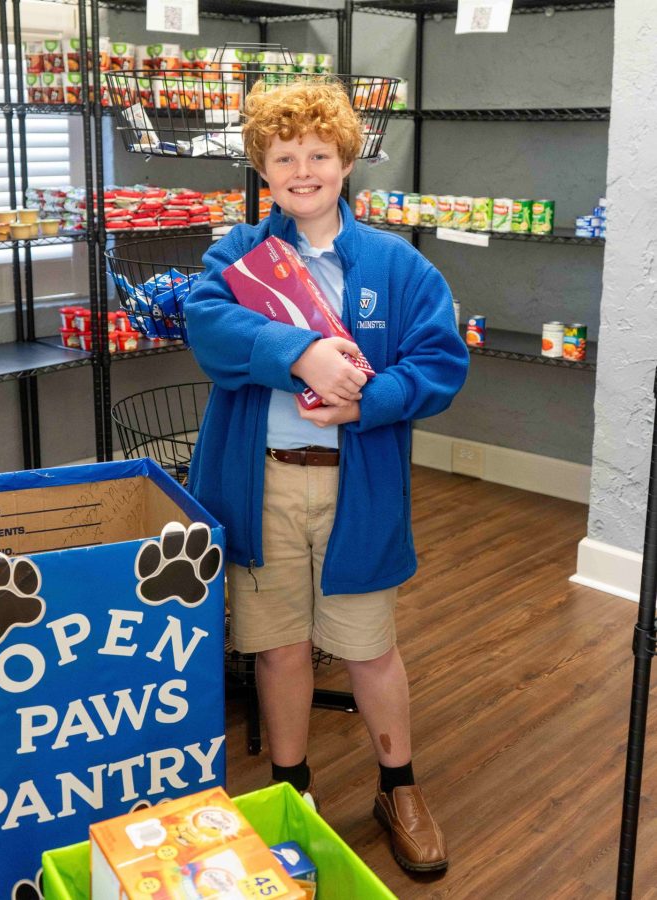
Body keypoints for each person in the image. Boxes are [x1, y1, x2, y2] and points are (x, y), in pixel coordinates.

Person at [184, 78, 469, 873]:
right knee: (276, 650)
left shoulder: (395, 265)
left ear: (345, 163)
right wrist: (300, 353)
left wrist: (369, 400)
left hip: (358, 491)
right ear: (262, 171)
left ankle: (397, 785)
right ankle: (290, 791)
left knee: (368, 648)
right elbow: (207, 326)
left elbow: (441, 363)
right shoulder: (237, 255)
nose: (302, 169)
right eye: (284, 157)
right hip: (259, 485)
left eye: (318, 153)